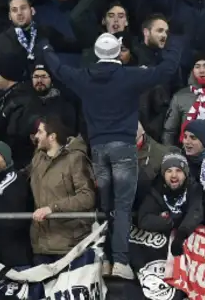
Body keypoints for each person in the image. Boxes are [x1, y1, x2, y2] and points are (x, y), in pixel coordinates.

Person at [39, 31, 182, 276]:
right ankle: (121, 263)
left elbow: (59, 69)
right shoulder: (130, 75)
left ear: (96, 53)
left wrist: (44, 47)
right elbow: (165, 70)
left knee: (106, 206)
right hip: (124, 148)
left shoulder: (84, 76)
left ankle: (105, 260)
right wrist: (174, 43)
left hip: (98, 149)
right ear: (118, 51)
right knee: (123, 206)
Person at [29, 119, 96, 265]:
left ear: (52, 137)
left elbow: (87, 197)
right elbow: (22, 178)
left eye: (40, 132)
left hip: (71, 246)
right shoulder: (38, 158)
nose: (36, 136)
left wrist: (52, 208)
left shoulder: (75, 159)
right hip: (41, 246)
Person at [136, 154, 205, 263]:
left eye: (178, 171)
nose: (174, 175)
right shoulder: (155, 189)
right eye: (169, 171)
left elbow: (196, 212)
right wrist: (171, 221)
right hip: (159, 246)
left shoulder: (194, 188)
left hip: (184, 240)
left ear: (185, 174)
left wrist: (181, 234)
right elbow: (144, 219)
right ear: (163, 174)